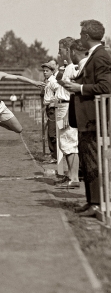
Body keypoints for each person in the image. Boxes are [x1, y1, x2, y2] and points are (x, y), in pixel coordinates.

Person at [61, 20, 111, 217]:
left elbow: (107, 87)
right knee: (88, 160)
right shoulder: (95, 55)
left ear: (87, 36)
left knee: (92, 160)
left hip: (94, 118)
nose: (80, 37)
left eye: (81, 34)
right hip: (87, 119)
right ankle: (91, 201)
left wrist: (79, 88)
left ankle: (97, 204)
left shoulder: (100, 57)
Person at [52, 37, 84, 189]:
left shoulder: (72, 67)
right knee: (64, 143)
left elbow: (73, 93)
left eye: (60, 50)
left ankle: (74, 177)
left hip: (67, 107)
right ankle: (71, 175)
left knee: (70, 143)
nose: (59, 53)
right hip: (62, 106)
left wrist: (66, 114)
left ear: (67, 50)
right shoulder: (67, 67)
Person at [41, 60, 59, 163]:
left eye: (47, 71)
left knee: (52, 133)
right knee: (49, 133)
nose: (44, 72)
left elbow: (59, 90)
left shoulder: (52, 81)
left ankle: (56, 156)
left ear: (52, 72)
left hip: (53, 109)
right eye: (43, 71)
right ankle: (53, 155)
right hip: (49, 108)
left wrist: (54, 101)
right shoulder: (47, 81)